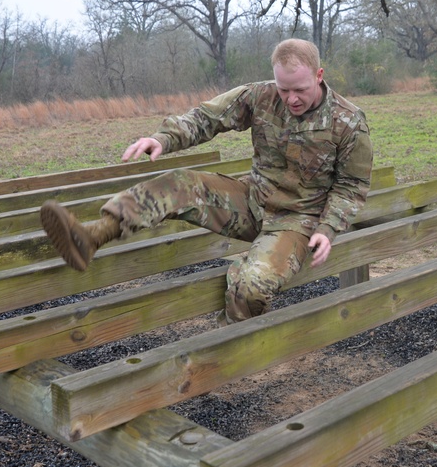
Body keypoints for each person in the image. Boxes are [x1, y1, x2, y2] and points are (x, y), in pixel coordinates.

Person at [40, 38, 373, 325]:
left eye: (299, 90)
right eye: (284, 89)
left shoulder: (348, 122)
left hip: (298, 222)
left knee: (251, 286)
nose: (291, 99)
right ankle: (92, 237)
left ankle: (227, 349)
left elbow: (351, 187)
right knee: (179, 183)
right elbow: (207, 118)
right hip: (253, 201)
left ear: (319, 76)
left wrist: (327, 229)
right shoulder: (261, 96)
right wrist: (164, 139)